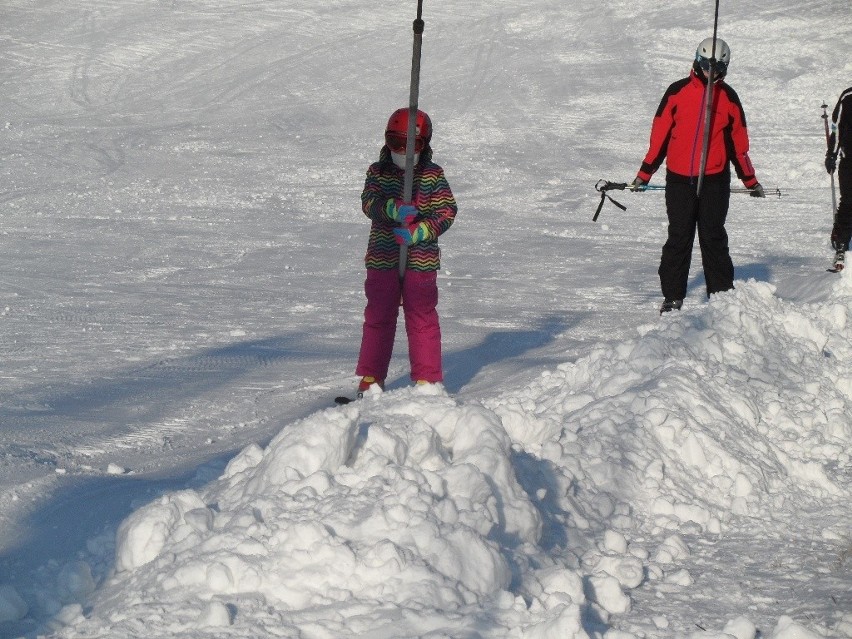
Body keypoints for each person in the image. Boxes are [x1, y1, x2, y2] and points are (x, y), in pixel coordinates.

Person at [631, 37, 765, 314]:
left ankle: (721, 297)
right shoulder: (677, 92)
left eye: (717, 68)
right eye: (706, 66)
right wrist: (645, 173)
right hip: (679, 180)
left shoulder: (728, 98)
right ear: (697, 61)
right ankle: (672, 296)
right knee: (679, 236)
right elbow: (659, 138)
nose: (710, 73)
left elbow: (739, 146)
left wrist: (750, 180)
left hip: (715, 180)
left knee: (713, 236)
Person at [353, 107, 457, 397]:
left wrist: (419, 231)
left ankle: (427, 381)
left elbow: (447, 211)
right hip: (383, 257)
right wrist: (391, 208)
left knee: (422, 316)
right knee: (378, 315)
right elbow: (368, 203)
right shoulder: (378, 172)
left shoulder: (432, 176)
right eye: (395, 143)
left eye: (411, 145)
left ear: (425, 144)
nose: (403, 152)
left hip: (420, 260)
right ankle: (371, 379)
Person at [825, 86, 852, 271]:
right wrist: (831, 154)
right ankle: (842, 244)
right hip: (849, 159)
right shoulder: (848, 97)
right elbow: (835, 127)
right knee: (849, 202)